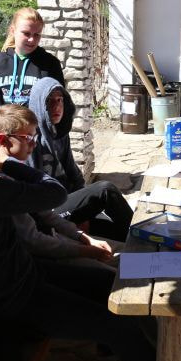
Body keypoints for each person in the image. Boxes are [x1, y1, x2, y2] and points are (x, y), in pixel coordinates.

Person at [0, 106, 156, 361]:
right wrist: (10, 164)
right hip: (8, 302)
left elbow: (47, 212)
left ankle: (128, 355)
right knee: (117, 324)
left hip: (19, 276)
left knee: (110, 284)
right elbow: (54, 194)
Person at [0, 104, 122, 270]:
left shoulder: (21, 170)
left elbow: (48, 215)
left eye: (35, 137)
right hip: (47, 258)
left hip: (59, 240)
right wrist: (85, 251)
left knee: (129, 253)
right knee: (115, 274)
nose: (34, 144)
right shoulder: (5, 183)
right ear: (3, 140)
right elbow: (33, 241)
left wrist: (85, 238)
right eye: (28, 138)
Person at [28, 77, 134, 241]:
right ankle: (141, 235)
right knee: (105, 190)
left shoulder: (60, 134)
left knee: (120, 229)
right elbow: (33, 195)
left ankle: (146, 242)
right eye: (49, 101)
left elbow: (74, 175)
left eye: (60, 100)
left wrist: (82, 208)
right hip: (47, 214)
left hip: (66, 203)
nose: (56, 106)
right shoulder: (30, 139)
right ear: (39, 104)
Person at [0, 7, 65, 111]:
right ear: (13, 31)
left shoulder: (50, 64)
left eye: (37, 35)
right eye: (26, 33)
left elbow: (60, 104)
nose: (32, 39)